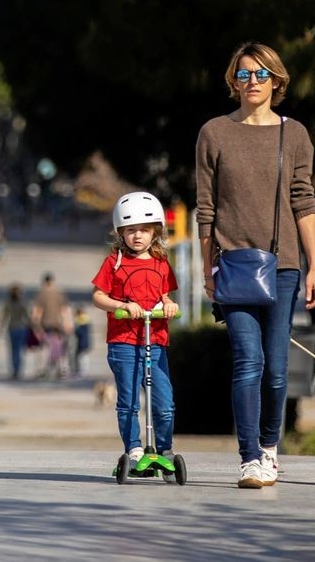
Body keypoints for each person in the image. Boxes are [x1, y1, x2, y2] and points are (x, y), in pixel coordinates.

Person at [196, 41, 315, 489]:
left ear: (277, 81)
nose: (252, 82)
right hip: (232, 264)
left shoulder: (295, 135)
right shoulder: (214, 133)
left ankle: (270, 447)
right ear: (233, 80)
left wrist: (314, 267)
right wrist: (205, 266)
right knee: (247, 361)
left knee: (276, 367)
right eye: (244, 74)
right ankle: (250, 457)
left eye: (261, 74)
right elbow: (206, 208)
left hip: (285, 264)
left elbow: (304, 202)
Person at [90, 192, 180, 469]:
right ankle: (134, 449)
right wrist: (122, 306)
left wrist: (169, 306)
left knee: (164, 403)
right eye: (131, 230)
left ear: (155, 231)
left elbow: (164, 295)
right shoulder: (114, 262)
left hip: (155, 340)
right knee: (129, 402)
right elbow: (98, 296)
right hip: (124, 342)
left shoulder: (161, 262)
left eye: (144, 230)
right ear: (121, 232)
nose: (137, 236)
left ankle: (164, 449)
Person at [31, 272, 69, 379]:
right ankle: (61, 369)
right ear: (52, 281)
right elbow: (64, 310)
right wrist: (67, 323)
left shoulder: (41, 294)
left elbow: (37, 311)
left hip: (45, 324)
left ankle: (42, 370)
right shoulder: (59, 293)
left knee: (44, 348)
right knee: (59, 347)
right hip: (58, 324)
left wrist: (35, 325)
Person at [0, 285, 32, 380]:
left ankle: (14, 370)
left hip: (12, 328)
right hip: (22, 328)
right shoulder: (23, 302)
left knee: (13, 350)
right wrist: (33, 326)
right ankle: (18, 369)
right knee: (19, 350)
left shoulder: (8, 303)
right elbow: (27, 316)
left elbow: (3, 316)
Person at [71, 303, 92, 377]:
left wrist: (75, 330)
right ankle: (82, 370)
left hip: (83, 343)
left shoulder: (82, 320)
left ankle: (83, 371)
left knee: (82, 358)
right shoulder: (86, 319)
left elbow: (80, 332)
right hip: (84, 342)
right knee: (83, 357)